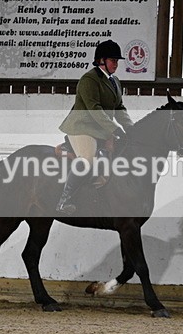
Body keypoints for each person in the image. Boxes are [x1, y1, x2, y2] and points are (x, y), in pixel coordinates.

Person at [56, 40, 135, 215]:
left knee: (119, 155)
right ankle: (64, 200)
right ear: (101, 61)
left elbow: (119, 108)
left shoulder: (115, 81)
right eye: (112, 60)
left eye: (117, 61)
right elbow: (94, 109)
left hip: (101, 129)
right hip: (82, 127)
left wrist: (130, 129)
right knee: (88, 159)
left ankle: (96, 195)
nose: (116, 64)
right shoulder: (88, 80)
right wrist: (114, 129)